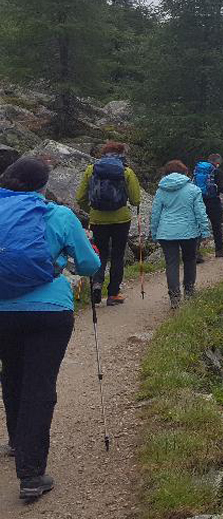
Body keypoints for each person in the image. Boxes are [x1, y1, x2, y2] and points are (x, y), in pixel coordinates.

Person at [0, 157, 101, 500]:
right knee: (39, 385)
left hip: (2, 311)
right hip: (49, 311)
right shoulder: (57, 214)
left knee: (12, 374)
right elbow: (89, 264)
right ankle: (31, 475)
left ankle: (17, 441)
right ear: (43, 186)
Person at [75, 141, 141, 306]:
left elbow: (80, 197)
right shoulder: (126, 171)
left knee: (100, 253)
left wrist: (91, 210)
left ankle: (97, 283)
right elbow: (135, 200)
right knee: (118, 255)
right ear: (122, 154)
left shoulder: (91, 170)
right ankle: (113, 294)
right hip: (121, 219)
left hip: (98, 219)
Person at [151, 160, 210, 306]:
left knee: (171, 263)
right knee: (190, 260)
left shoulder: (161, 190)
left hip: (166, 232)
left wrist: (154, 232)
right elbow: (200, 213)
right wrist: (205, 232)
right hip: (189, 232)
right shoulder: (193, 189)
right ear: (185, 172)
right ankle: (189, 292)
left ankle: (174, 297)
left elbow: (155, 213)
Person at [192, 154, 223, 262]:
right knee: (216, 225)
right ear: (217, 162)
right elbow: (221, 189)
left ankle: (196, 253)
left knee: (198, 225)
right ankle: (219, 250)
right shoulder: (217, 171)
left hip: (199, 201)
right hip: (213, 201)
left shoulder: (198, 170)